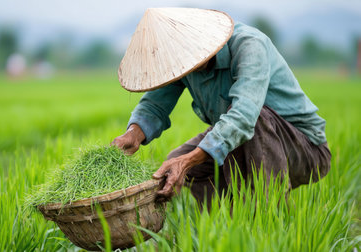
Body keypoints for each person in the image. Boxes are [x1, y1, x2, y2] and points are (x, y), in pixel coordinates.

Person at [112, 8, 331, 205]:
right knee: (179, 163)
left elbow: (244, 116)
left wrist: (187, 161)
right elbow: (154, 105)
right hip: (245, 136)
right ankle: (225, 225)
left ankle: (270, 215)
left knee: (256, 118)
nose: (183, 68)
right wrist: (133, 134)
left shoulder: (249, 45)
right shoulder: (181, 65)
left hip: (303, 148)